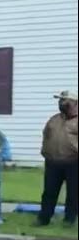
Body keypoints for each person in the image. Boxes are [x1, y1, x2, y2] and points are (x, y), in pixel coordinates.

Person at [38, 90, 77, 226]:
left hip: (74, 162)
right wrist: (45, 152)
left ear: (74, 103)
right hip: (53, 162)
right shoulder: (54, 119)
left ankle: (69, 219)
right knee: (49, 192)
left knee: (73, 193)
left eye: (65, 100)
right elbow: (46, 136)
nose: (61, 103)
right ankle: (44, 218)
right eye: (60, 100)